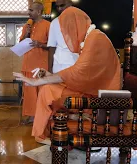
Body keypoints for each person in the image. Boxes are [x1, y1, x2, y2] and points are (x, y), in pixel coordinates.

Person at [13, 7, 121, 143]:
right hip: (88, 91)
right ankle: (41, 134)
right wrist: (49, 75)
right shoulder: (91, 38)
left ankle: (44, 133)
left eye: (67, 30)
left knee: (47, 89)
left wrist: (38, 81)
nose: (68, 35)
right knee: (48, 89)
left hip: (99, 100)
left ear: (76, 25)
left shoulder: (96, 39)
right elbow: (82, 75)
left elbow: (78, 72)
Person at [19, 2, 50, 124]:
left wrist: (40, 44)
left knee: (42, 91)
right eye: (29, 9)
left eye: (31, 10)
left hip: (41, 66)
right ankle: (31, 116)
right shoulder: (27, 25)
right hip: (27, 64)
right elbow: (21, 43)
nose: (29, 12)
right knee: (30, 93)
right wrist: (27, 33)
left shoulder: (48, 25)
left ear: (38, 12)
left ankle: (43, 116)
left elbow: (52, 46)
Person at [48, 0, 88, 73]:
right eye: (57, 6)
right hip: (59, 65)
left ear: (70, 3)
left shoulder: (82, 20)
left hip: (77, 63)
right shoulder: (54, 22)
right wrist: (49, 70)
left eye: (62, 5)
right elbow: (52, 47)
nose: (59, 9)